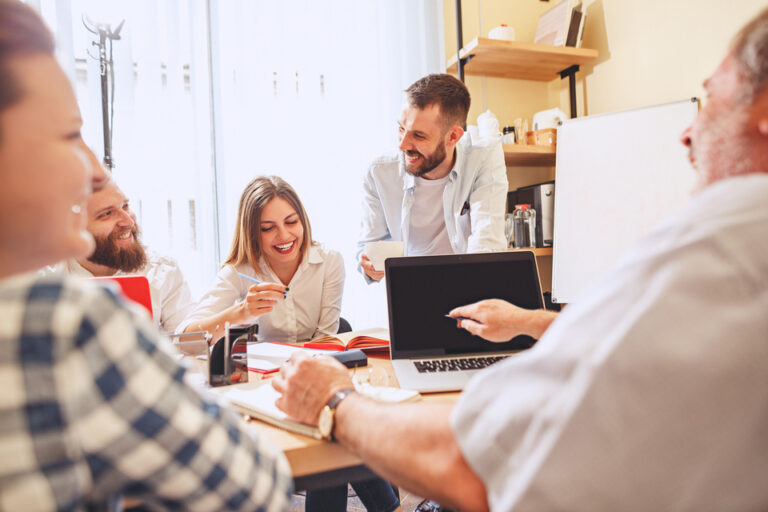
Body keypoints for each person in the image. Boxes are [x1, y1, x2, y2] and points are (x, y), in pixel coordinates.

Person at [272, 8, 768, 511]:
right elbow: (633, 346)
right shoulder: (725, 261)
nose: (687, 134)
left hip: (470, 311)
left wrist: (336, 402)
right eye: (400, 130)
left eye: (714, 102)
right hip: (423, 309)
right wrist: (531, 319)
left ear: (454, 136)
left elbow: (476, 463)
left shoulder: (720, 246)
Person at [0, 2, 292, 510]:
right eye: (69, 135)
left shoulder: (156, 273)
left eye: (124, 206)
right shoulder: (64, 319)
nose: (94, 169)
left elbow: (186, 341)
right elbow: (254, 487)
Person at [178, 176, 400, 512]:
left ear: (303, 220)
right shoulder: (239, 273)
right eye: (268, 228)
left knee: (333, 427)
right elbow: (185, 338)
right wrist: (241, 311)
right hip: (266, 388)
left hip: (316, 371)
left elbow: (327, 336)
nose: (284, 236)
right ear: (252, 232)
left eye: (291, 222)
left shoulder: (328, 262)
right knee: (335, 430)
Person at [358, 73, 508, 282]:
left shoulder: (483, 157)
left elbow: (487, 244)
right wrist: (367, 266)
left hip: (470, 283)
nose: (402, 145)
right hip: (410, 288)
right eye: (401, 128)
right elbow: (368, 246)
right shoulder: (379, 172)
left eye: (418, 135)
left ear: (453, 136)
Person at [44, 179, 195, 332]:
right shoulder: (43, 279)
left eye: (125, 206)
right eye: (107, 214)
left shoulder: (162, 271)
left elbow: (189, 347)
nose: (128, 221)